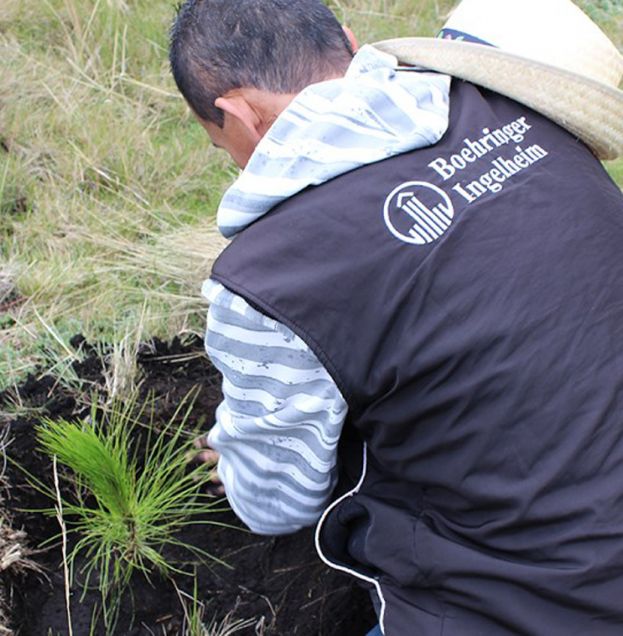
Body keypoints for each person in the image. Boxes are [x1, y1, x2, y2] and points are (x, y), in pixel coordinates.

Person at [169, 0, 623, 633]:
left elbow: (277, 504)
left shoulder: (272, 277)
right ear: (351, 45)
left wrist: (242, 452)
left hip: (544, 607)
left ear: (236, 115)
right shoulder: (529, 113)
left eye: (221, 145)